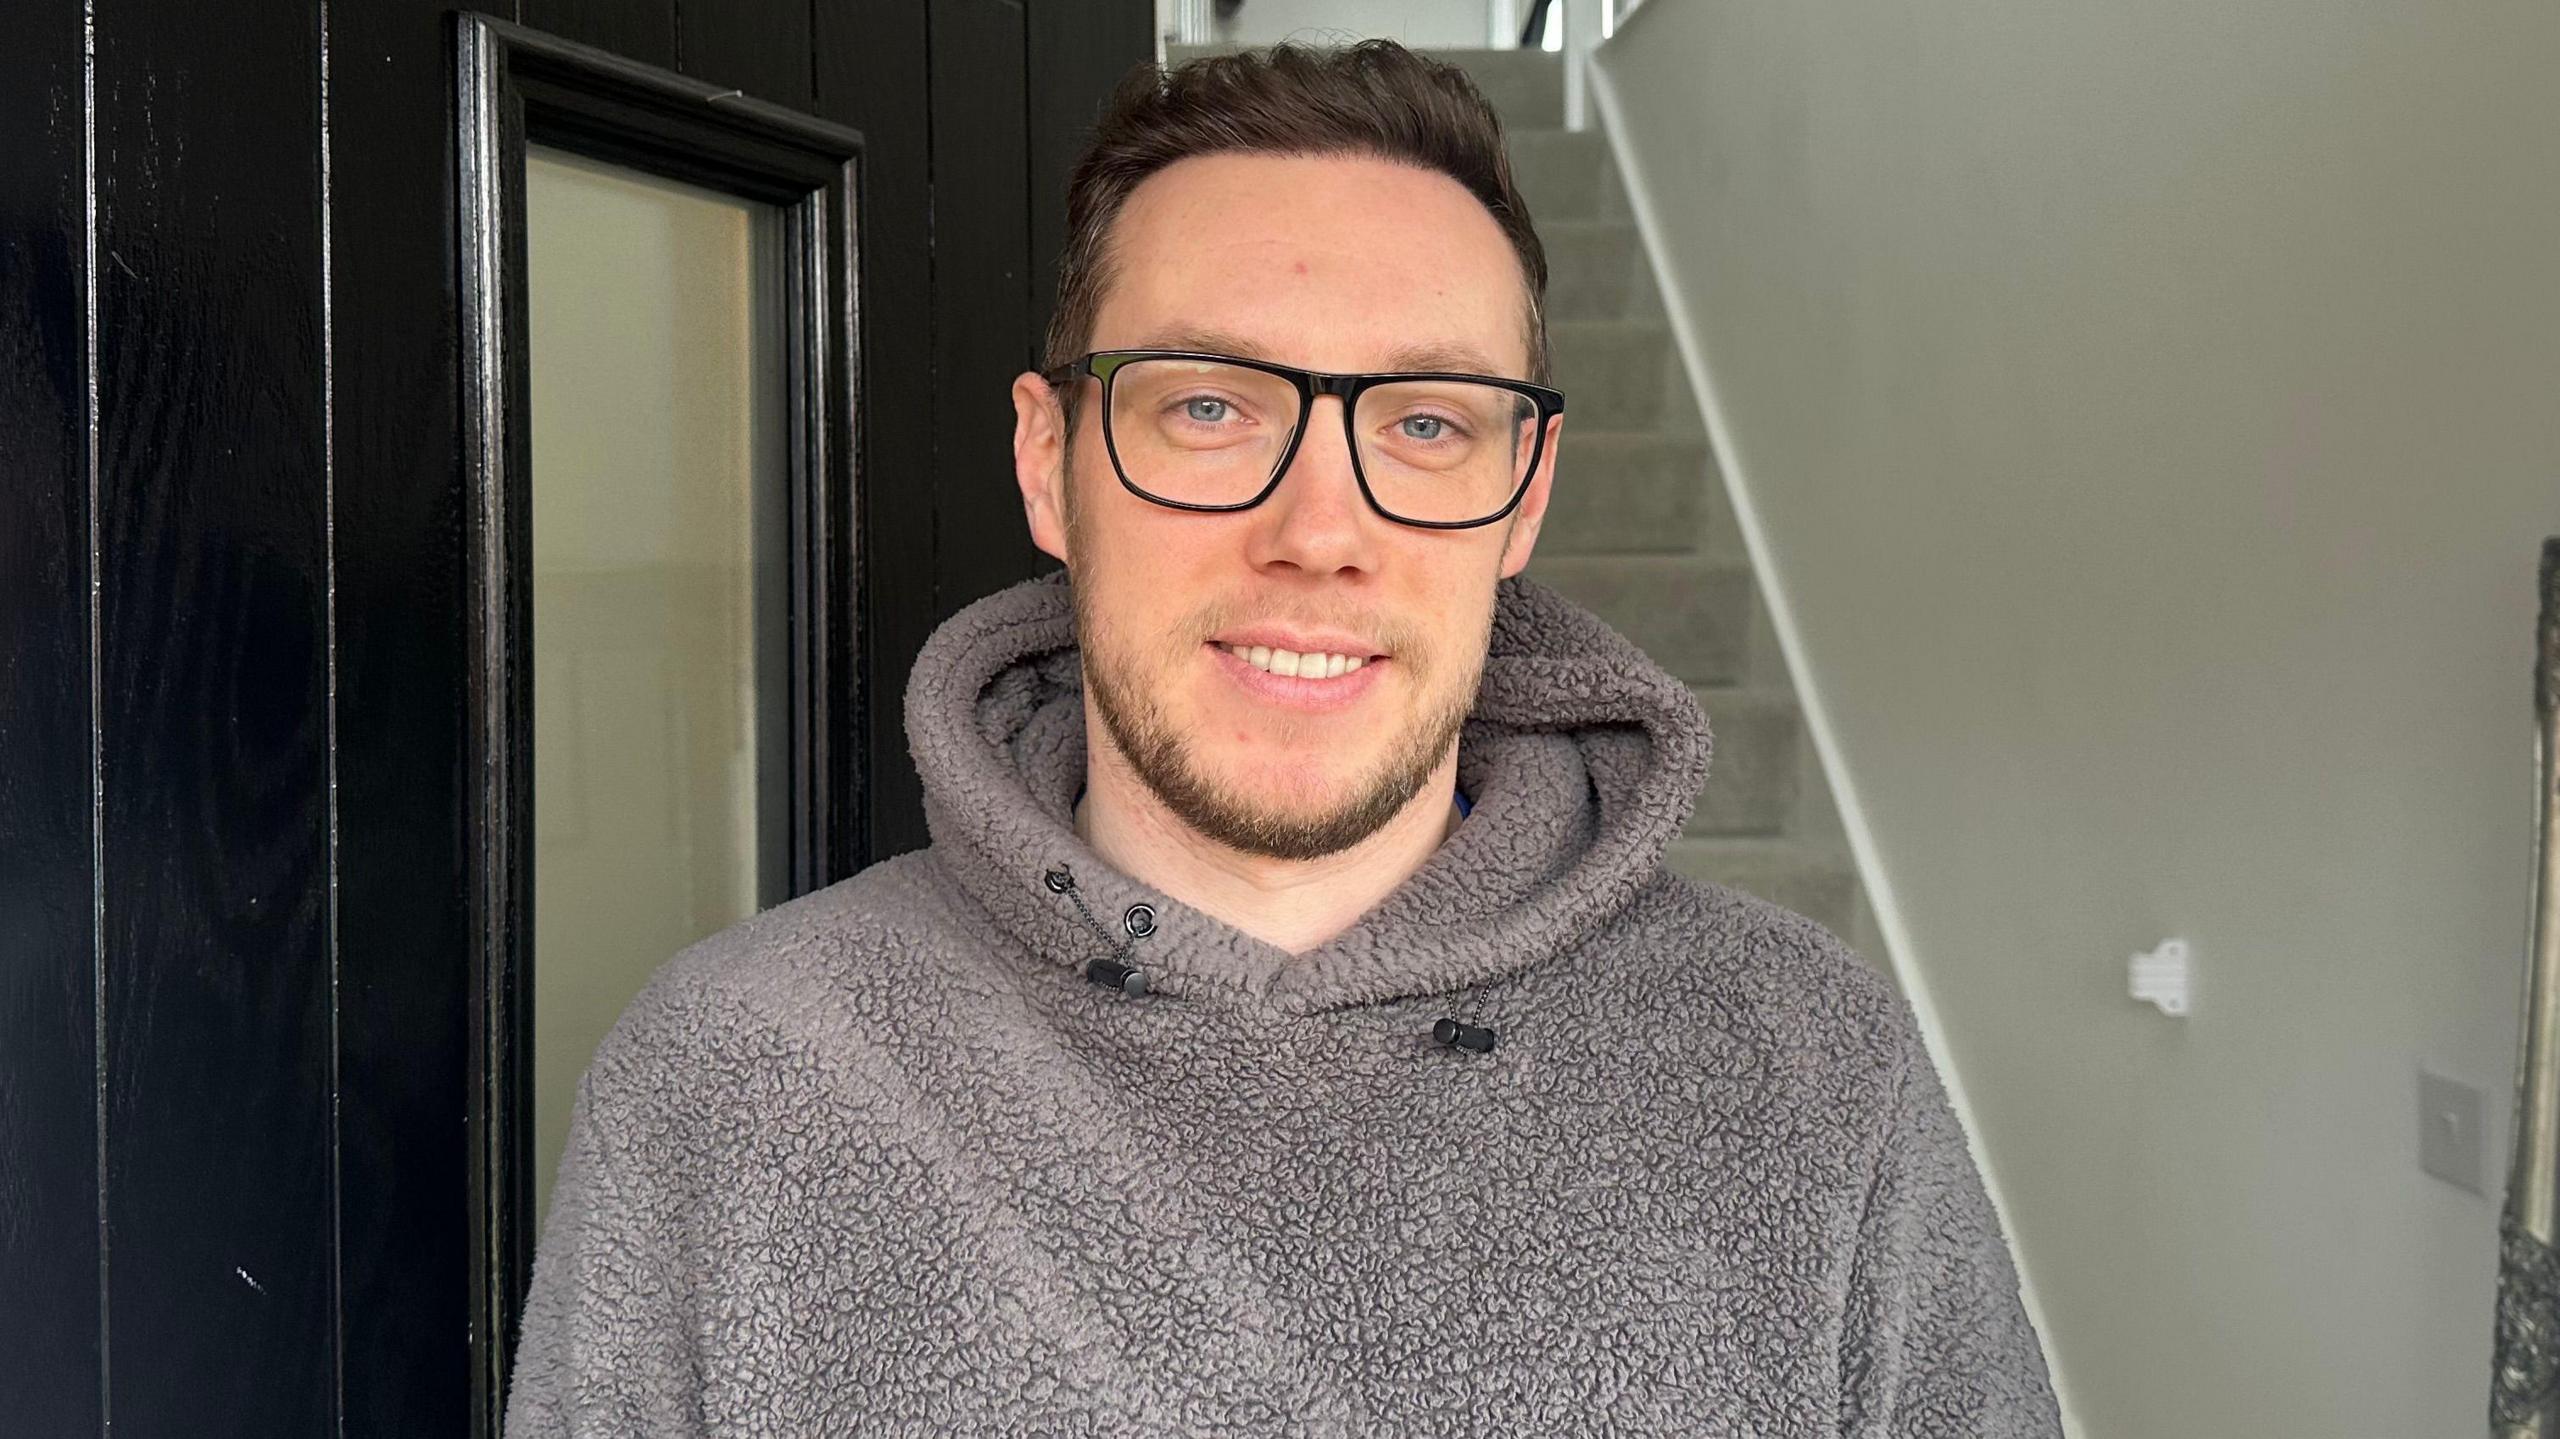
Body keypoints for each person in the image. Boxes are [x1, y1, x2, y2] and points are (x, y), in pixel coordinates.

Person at [503, 40, 2063, 1437]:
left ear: (1523, 496)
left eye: (1429, 422)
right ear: (1051, 464)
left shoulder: (1806, 1071)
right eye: (1208, 409)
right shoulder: (738, 1077)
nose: (1320, 532)